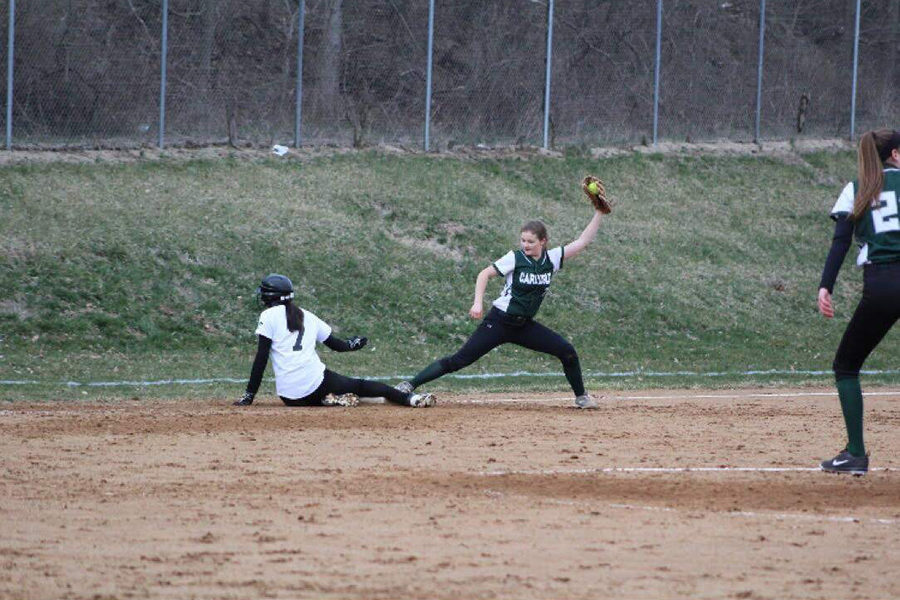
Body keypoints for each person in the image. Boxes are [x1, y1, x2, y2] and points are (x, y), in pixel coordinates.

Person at [396, 205, 605, 409]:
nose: (526, 245)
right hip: (499, 322)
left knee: (566, 351)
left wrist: (599, 212)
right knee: (458, 361)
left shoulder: (552, 259)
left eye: (531, 241)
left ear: (543, 241)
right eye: (523, 240)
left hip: (524, 326)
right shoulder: (515, 258)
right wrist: (478, 302)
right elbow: (484, 274)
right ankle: (408, 385)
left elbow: (583, 241)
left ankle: (581, 397)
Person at [817, 128, 900, 475]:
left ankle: (855, 453)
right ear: (895, 154)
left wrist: (826, 287)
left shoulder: (857, 187)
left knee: (846, 366)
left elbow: (841, 242)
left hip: (883, 285)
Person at [234, 273, 435, 408]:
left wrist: (249, 395)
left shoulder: (268, 316)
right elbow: (337, 346)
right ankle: (411, 399)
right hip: (316, 382)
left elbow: (261, 358)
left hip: (290, 397)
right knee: (360, 385)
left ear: (270, 296)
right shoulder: (307, 315)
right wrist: (352, 344)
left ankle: (330, 399)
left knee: (336, 390)